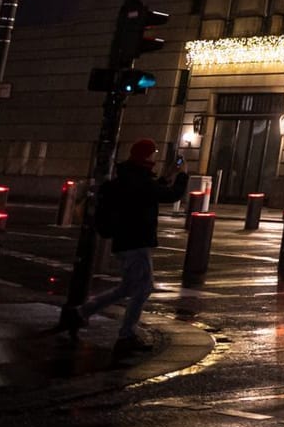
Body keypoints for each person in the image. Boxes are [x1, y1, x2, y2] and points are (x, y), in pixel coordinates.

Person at [59, 138, 189, 358]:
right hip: (136, 241)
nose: (156, 156)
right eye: (153, 153)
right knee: (144, 287)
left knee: (128, 287)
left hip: (125, 240)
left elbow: (152, 191)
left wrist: (168, 176)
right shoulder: (139, 180)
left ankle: (80, 313)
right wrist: (183, 175)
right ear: (146, 156)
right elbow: (169, 195)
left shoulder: (131, 175)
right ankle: (126, 335)